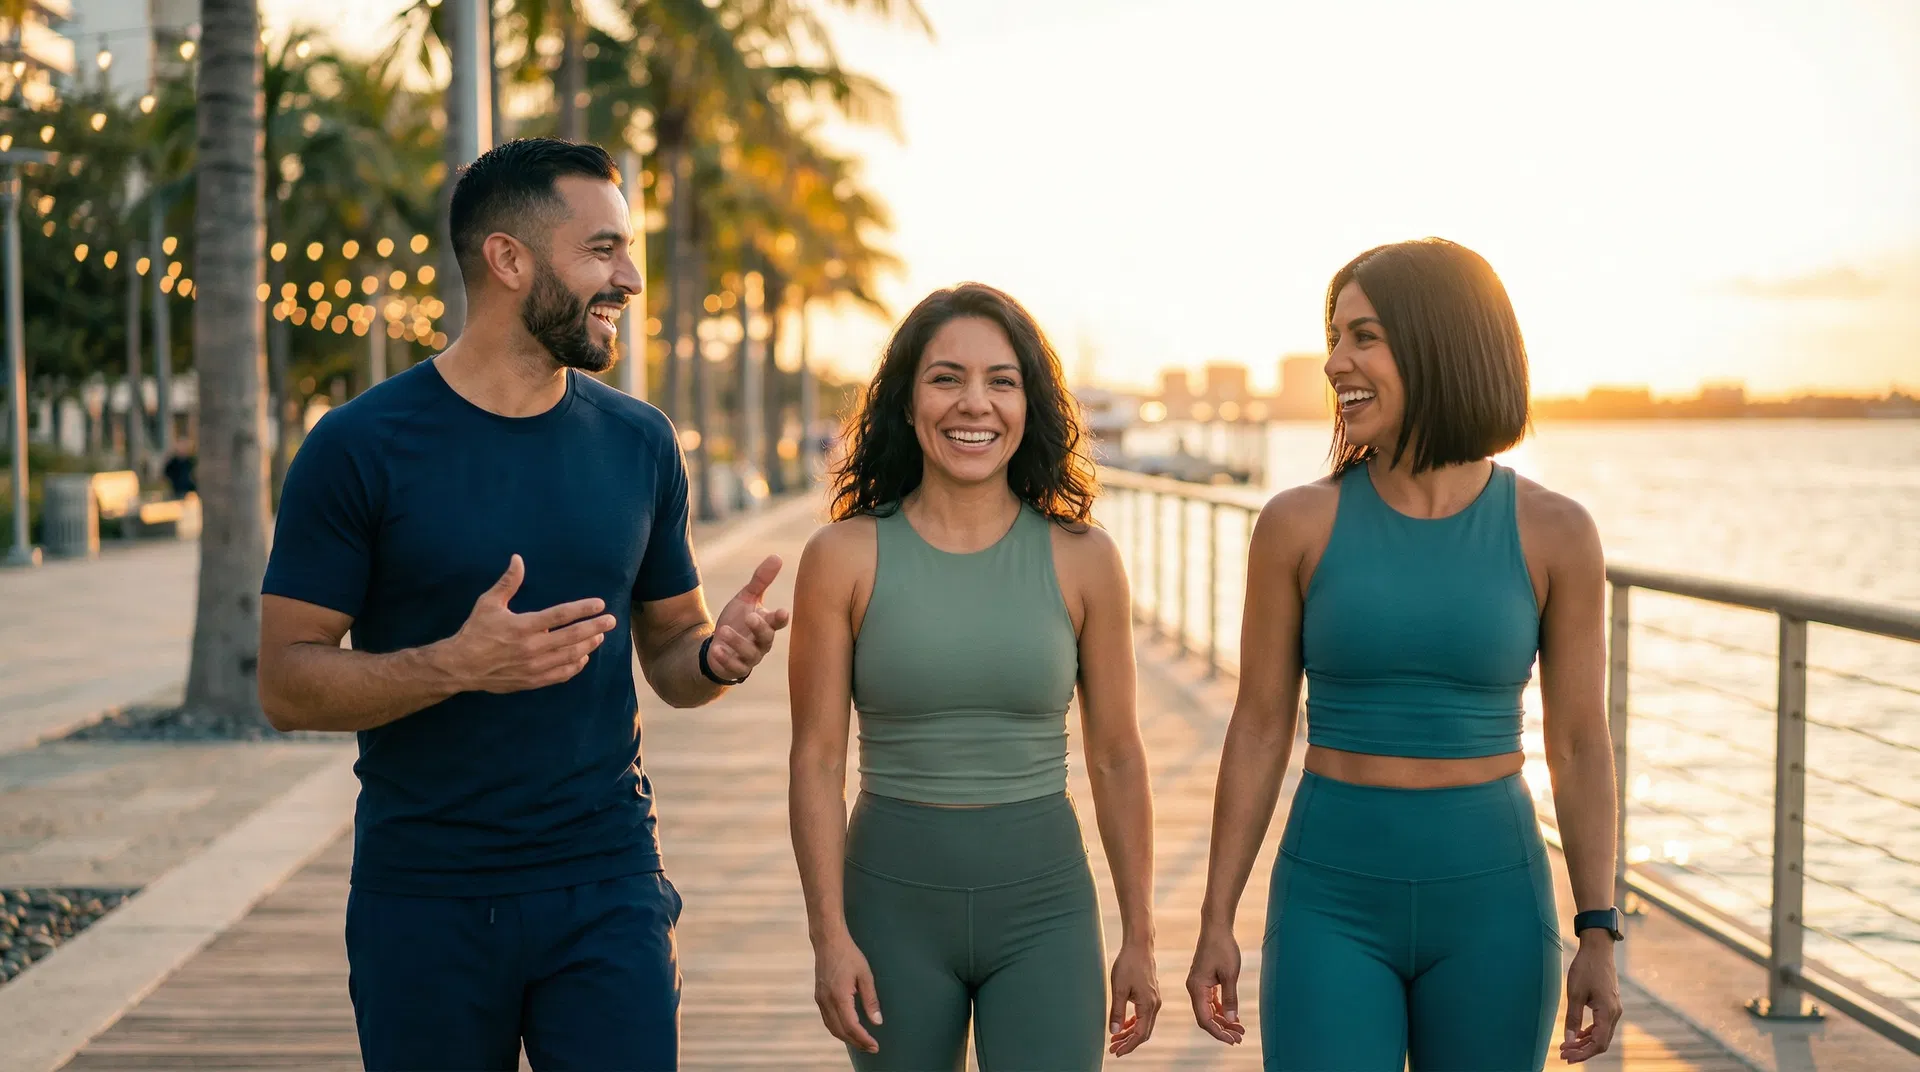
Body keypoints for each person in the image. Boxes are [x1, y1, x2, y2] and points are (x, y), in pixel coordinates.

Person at [256, 138, 789, 1072]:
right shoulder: (357, 447)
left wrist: (715, 656)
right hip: (423, 897)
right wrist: (454, 664)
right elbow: (286, 683)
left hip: (607, 882)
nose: (627, 277)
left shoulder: (640, 443)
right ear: (508, 260)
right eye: (602, 251)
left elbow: (671, 650)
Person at [1184, 239, 1624, 1070]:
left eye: (1364, 336)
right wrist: (1216, 918)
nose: (1334, 361)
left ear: (1440, 344)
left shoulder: (1557, 532)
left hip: (1495, 903)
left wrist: (1598, 930)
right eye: (1334, 336)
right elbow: (1259, 726)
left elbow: (1576, 743)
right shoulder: (1295, 525)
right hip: (1330, 902)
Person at [787, 283, 1160, 1070]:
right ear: (907, 398)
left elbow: (1118, 756)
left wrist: (1141, 937)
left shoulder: (1083, 559)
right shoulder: (842, 557)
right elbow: (817, 760)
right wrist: (829, 937)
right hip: (889, 908)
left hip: (1045, 912)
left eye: (1001, 380)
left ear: (1030, 403)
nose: (975, 405)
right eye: (946, 377)